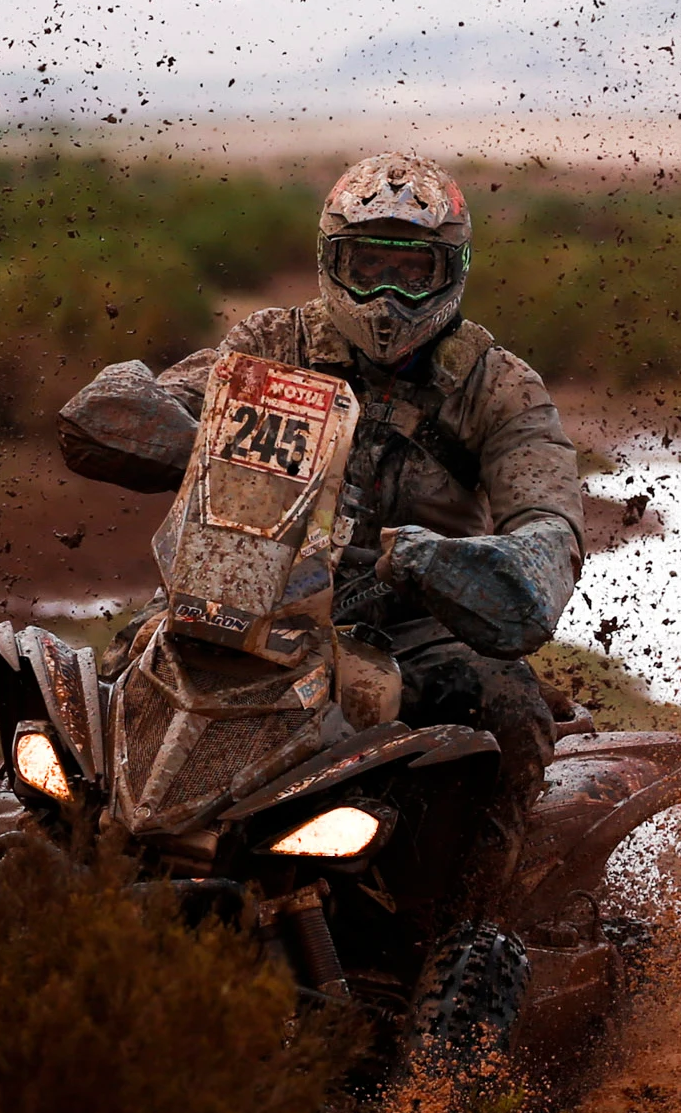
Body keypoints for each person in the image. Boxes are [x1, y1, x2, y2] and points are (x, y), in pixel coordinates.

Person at [55, 152, 583, 902]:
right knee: (103, 689)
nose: (389, 295)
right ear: (330, 261)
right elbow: (100, 411)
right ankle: (48, 861)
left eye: (414, 271)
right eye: (367, 266)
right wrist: (187, 439)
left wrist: (442, 560)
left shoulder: (498, 386)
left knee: (511, 710)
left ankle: (473, 930)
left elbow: (549, 534)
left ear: (452, 271)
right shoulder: (271, 345)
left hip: (411, 621)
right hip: (242, 595)